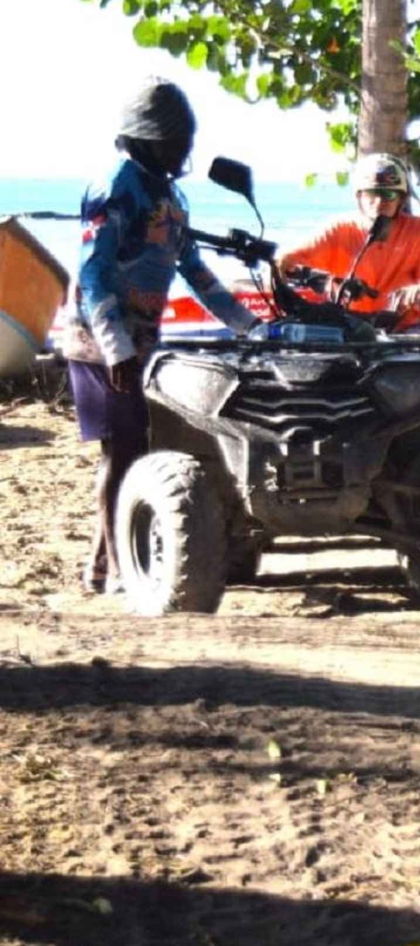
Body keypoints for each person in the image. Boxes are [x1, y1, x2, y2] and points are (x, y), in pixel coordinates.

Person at [56, 78, 261, 595]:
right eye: (176, 143)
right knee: (121, 450)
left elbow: (193, 268)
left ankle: (101, 566)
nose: (183, 153)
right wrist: (115, 345)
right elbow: (96, 272)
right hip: (98, 341)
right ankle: (122, 566)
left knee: (143, 447)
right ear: (146, 139)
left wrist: (248, 325)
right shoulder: (114, 187)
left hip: (142, 341)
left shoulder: (170, 196)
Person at [279, 154, 420, 331]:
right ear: (358, 196)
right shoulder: (338, 229)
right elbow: (285, 260)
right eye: (372, 194)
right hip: (349, 327)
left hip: (404, 326)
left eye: (388, 194)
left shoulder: (417, 230)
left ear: (401, 199)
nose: (379, 202)